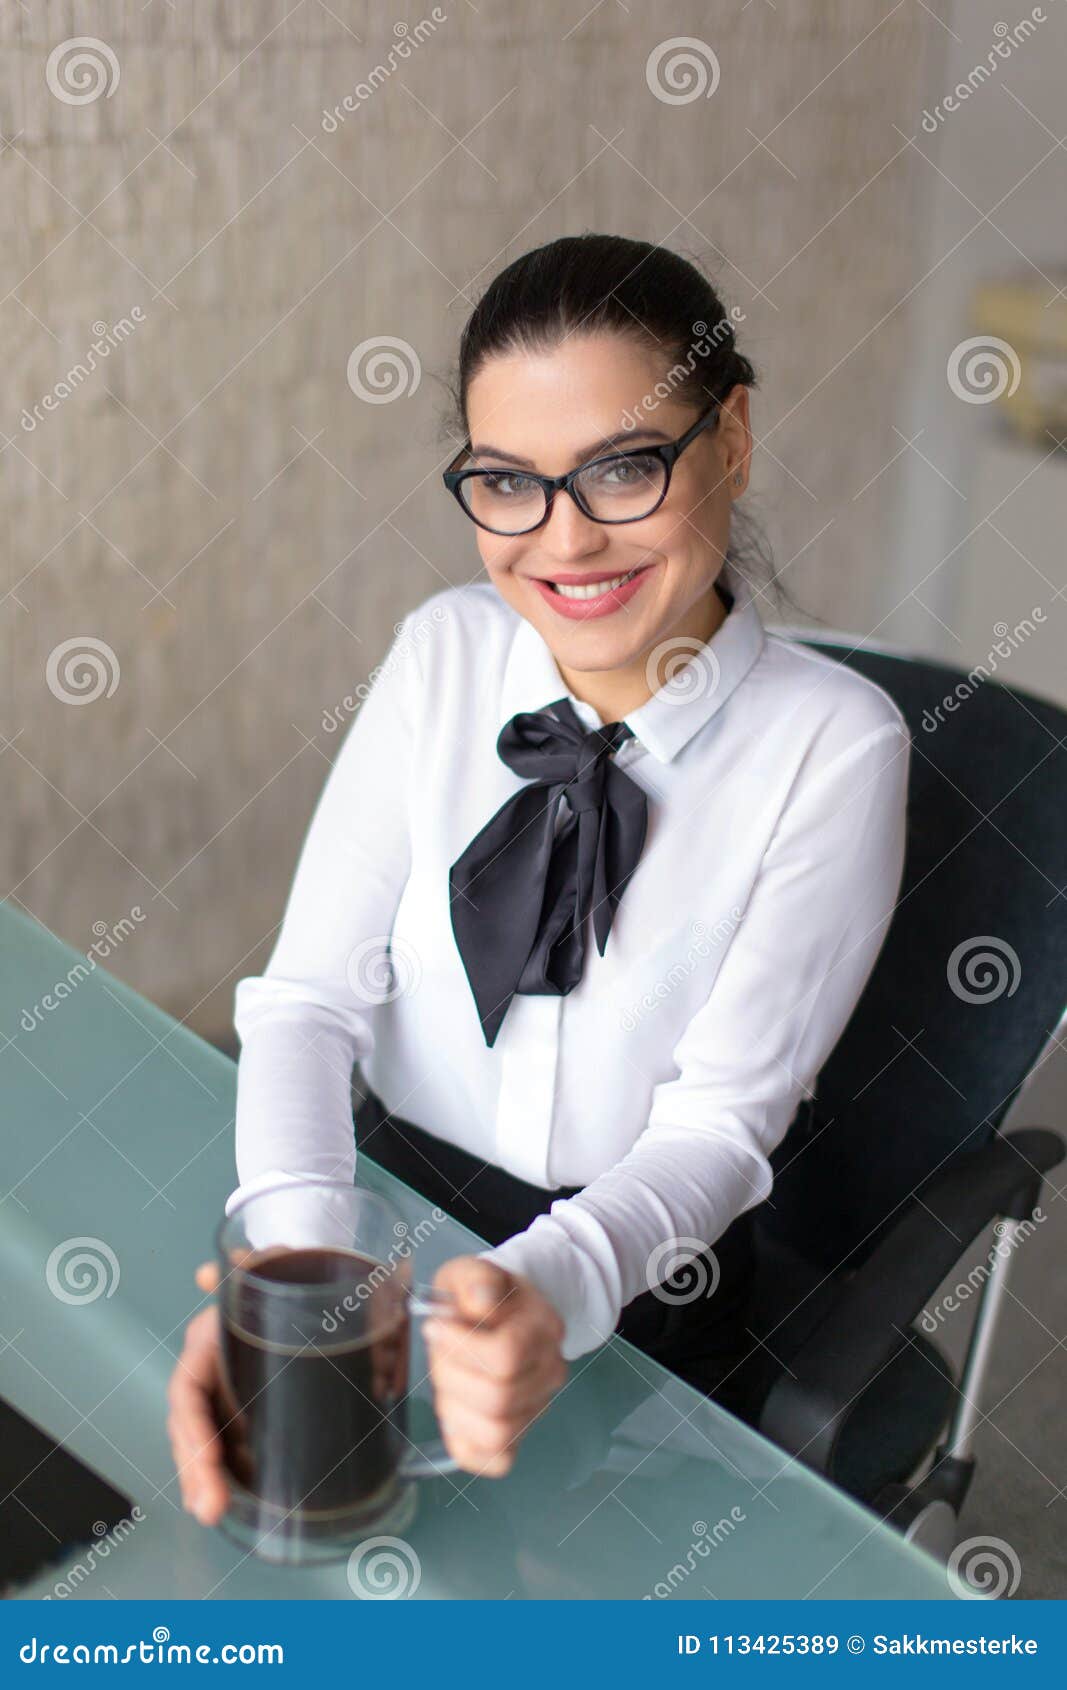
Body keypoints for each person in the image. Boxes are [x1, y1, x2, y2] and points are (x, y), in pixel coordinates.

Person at [166, 233, 910, 1527]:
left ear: (730, 438)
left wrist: (541, 1294)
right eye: (507, 481)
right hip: (384, 1207)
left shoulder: (837, 745)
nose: (563, 540)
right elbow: (304, 1006)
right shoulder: (442, 650)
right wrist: (300, 1266)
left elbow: (715, 1132)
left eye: (622, 467)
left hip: (635, 1275)